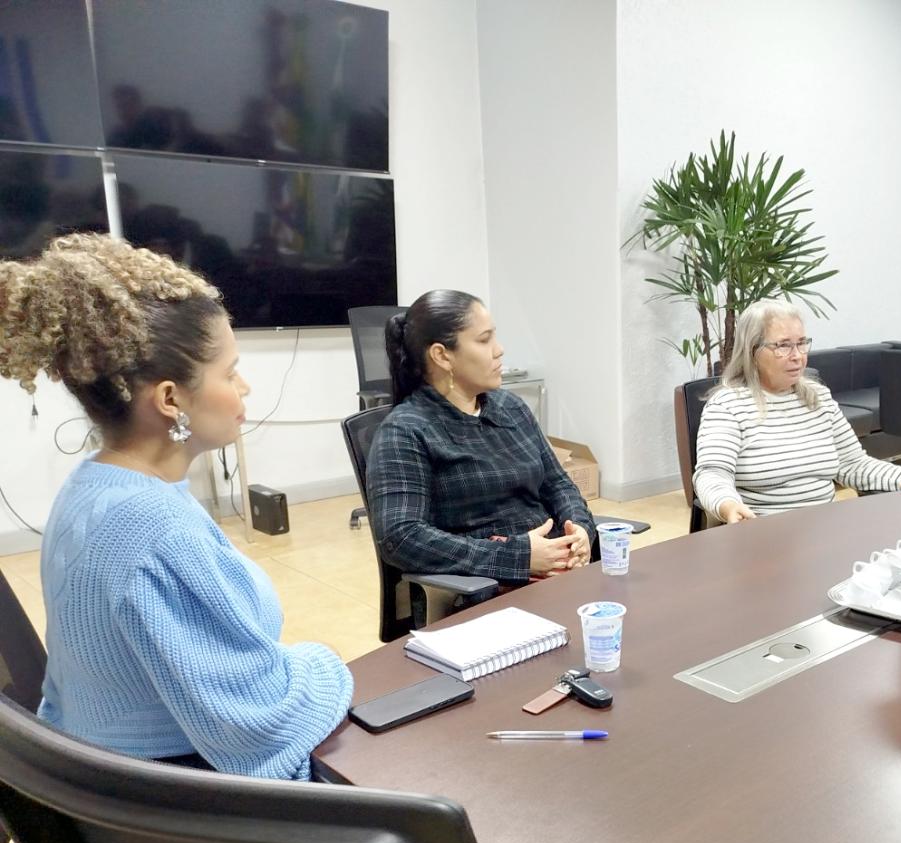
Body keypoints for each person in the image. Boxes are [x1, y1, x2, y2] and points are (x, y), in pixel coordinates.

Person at [0, 234, 353, 781]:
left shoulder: (90, 487)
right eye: (230, 372)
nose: (246, 388)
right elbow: (258, 727)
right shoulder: (155, 531)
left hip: (110, 790)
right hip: (174, 805)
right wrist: (327, 663)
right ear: (170, 399)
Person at [366, 290, 593, 585]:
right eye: (484, 340)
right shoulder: (405, 431)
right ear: (442, 355)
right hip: (485, 589)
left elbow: (557, 483)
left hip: (559, 572)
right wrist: (516, 556)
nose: (499, 350)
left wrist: (579, 528)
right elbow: (401, 537)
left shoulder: (510, 407)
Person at [693, 299, 901, 523]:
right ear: (752, 351)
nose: (798, 356)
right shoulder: (728, 406)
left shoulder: (818, 398)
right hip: (763, 533)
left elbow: (854, 464)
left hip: (825, 529)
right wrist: (728, 505)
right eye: (783, 345)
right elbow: (712, 474)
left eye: (802, 343)